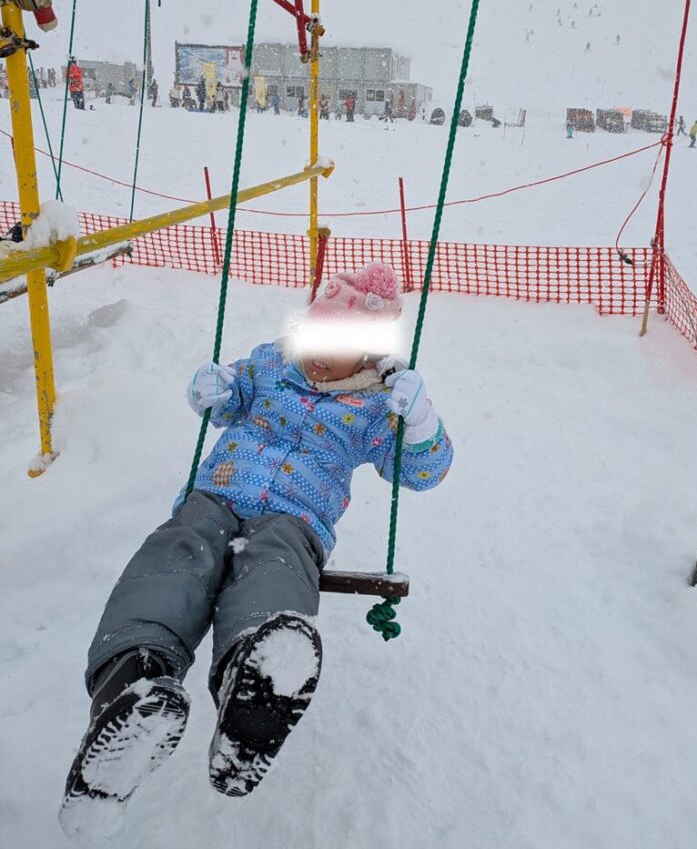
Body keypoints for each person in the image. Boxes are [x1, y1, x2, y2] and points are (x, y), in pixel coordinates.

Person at [59, 262, 453, 826]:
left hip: (297, 518)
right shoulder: (271, 363)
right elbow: (228, 399)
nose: (318, 354)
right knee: (176, 558)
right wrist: (211, 389)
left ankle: (257, 681)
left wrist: (420, 423)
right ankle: (133, 681)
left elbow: (424, 471)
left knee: (274, 571)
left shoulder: (376, 404)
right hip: (216, 495)